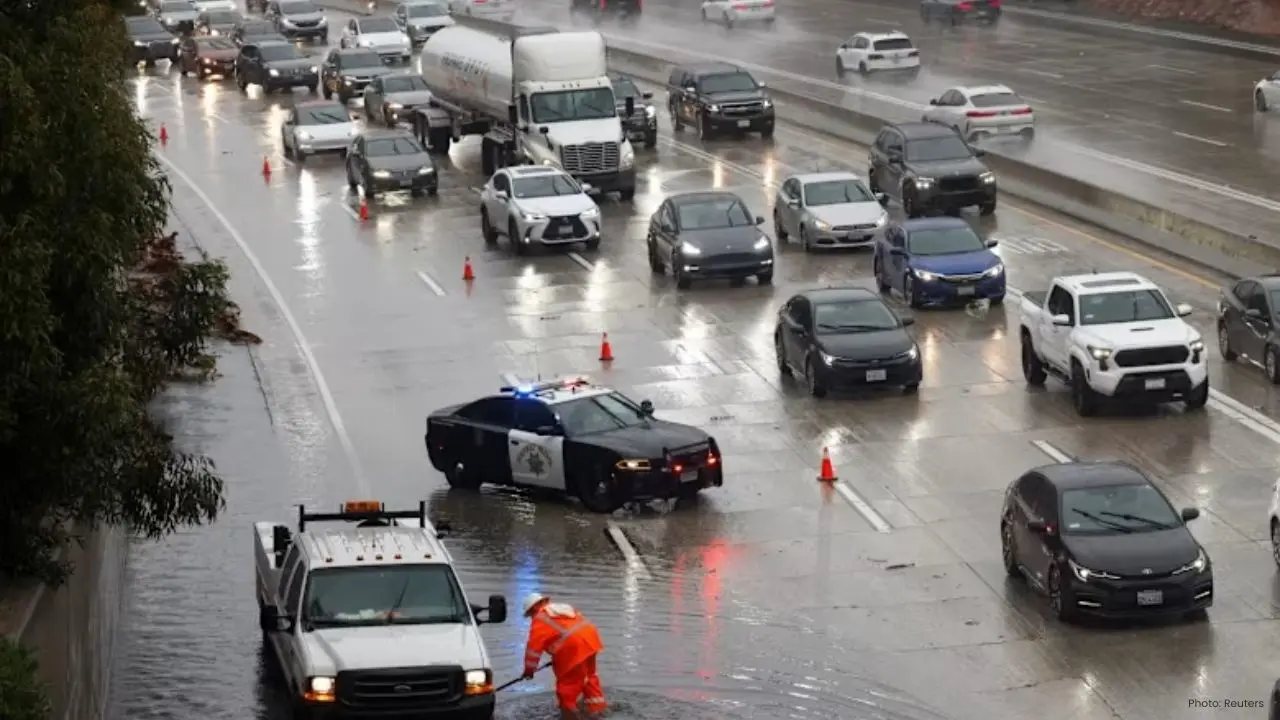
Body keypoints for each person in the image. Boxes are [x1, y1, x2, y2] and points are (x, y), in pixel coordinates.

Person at [521, 593, 606, 719]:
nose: (531, 618)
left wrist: (529, 671)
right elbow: (566, 632)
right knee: (589, 677)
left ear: (533, 608)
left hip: (574, 648)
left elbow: (533, 649)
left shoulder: (540, 617)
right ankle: (597, 710)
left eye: (530, 615)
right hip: (591, 641)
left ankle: (570, 715)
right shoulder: (562, 608)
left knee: (567, 688)